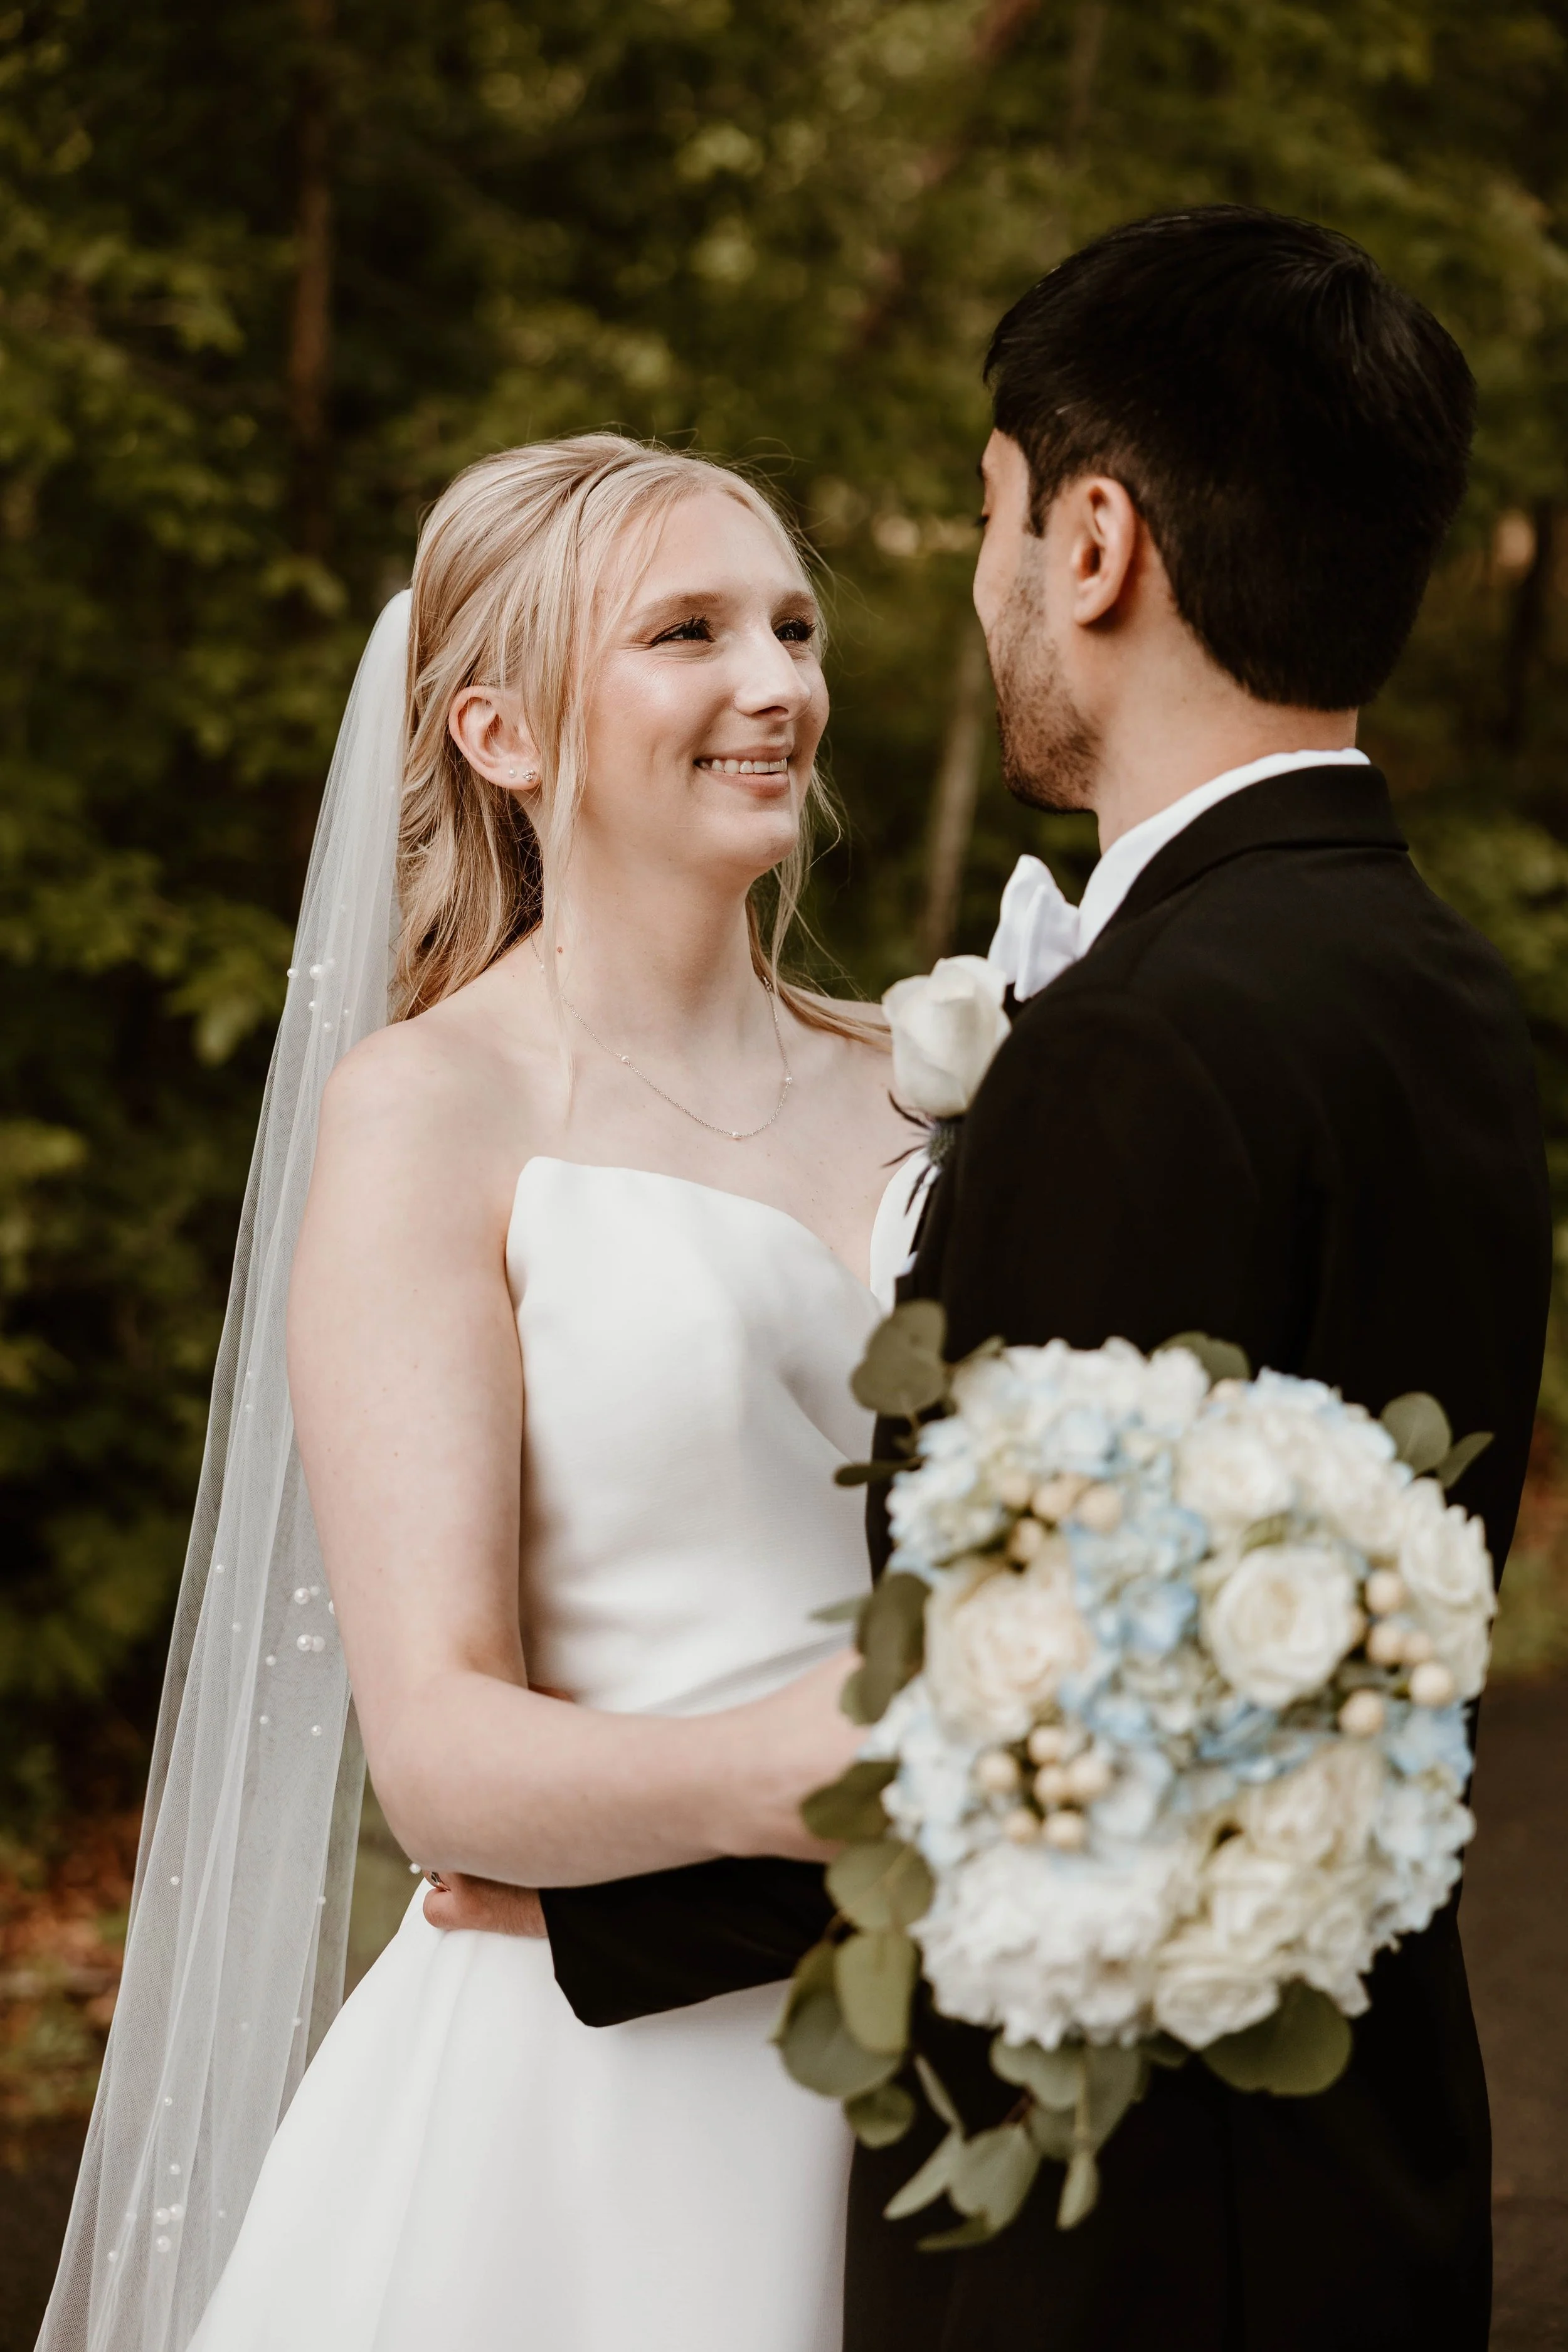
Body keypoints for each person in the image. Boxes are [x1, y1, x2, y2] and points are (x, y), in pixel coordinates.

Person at [530, 211, 1553, 2350]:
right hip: (1365, 2170)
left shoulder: (1135, 1042)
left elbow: (1041, 1730)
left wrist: (589, 1902)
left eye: (992, 521)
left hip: (1119, 2235)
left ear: (1094, 543)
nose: (983, 583)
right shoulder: (1442, 993)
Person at [38, 435, 917, 2352]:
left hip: (939, 2070)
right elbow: (441, 1751)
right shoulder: (433, 1112)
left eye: (789, 623)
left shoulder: (936, 1082)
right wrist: (865, 1769)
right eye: (686, 631)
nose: (775, 681)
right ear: (502, 732)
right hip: (584, 2094)